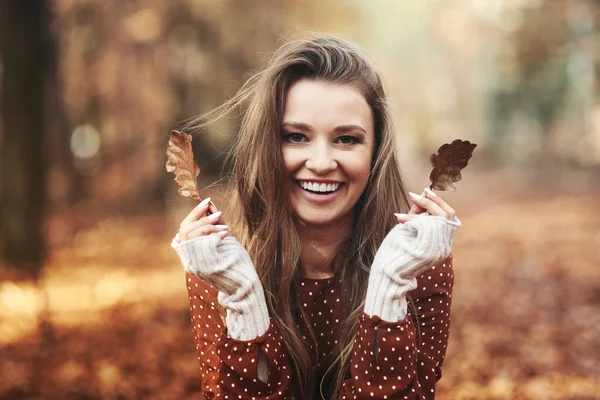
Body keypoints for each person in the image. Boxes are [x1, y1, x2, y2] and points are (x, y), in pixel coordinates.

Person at [171, 35, 460, 399]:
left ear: (375, 150)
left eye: (346, 140)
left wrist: (390, 283)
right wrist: (243, 296)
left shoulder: (419, 266)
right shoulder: (221, 267)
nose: (322, 163)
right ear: (267, 145)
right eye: (295, 136)